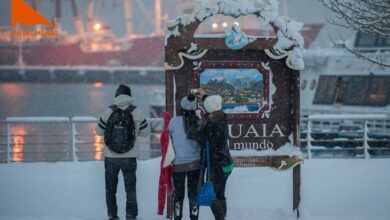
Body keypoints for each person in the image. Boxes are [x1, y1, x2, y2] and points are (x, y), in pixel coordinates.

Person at [96, 84, 149, 220]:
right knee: (130, 189)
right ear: (129, 96)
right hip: (129, 157)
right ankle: (131, 215)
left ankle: (112, 215)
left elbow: (98, 131)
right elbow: (145, 132)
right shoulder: (136, 111)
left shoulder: (109, 110)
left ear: (117, 96)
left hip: (111, 157)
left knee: (110, 189)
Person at [196, 89, 234, 220]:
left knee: (212, 196)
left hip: (217, 164)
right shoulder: (221, 116)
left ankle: (220, 218)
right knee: (220, 194)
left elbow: (200, 138)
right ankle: (223, 216)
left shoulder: (211, 124)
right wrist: (205, 97)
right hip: (226, 163)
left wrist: (198, 125)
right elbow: (213, 106)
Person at [168, 94, 201, 220]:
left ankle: (178, 216)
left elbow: (168, 141)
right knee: (193, 193)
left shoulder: (173, 122)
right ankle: (194, 217)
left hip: (178, 165)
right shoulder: (198, 122)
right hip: (195, 164)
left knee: (179, 194)